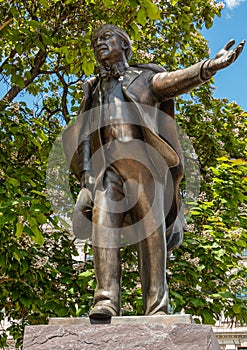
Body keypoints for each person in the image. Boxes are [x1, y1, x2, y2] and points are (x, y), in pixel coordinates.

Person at [62, 24, 245, 319]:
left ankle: (156, 307)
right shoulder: (93, 89)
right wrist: (86, 173)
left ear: (124, 45)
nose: (99, 43)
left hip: (142, 165)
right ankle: (106, 301)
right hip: (107, 171)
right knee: (104, 231)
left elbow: (176, 80)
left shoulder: (144, 79)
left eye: (106, 37)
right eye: (95, 40)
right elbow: (84, 134)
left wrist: (211, 66)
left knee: (150, 236)